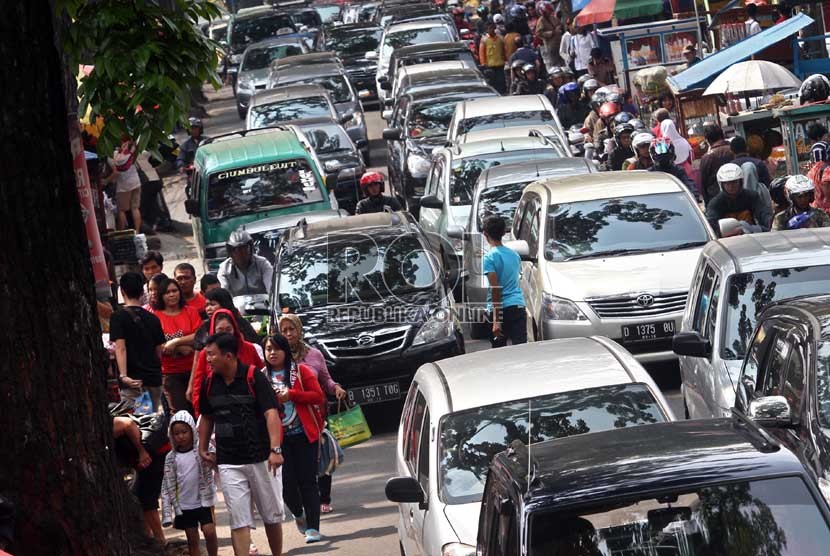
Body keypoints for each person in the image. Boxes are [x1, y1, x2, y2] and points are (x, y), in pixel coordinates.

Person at [198, 333, 285, 556]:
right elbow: (207, 417)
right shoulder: (208, 383)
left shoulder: (254, 377)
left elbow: (271, 414)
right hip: (228, 463)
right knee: (239, 520)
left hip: (262, 459)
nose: (207, 359)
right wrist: (203, 447)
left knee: (271, 516)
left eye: (211, 355)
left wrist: (275, 450)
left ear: (228, 356)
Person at [278, 313, 347, 514]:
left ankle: (324, 498)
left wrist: (336, 388)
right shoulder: (277, 356)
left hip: (316, 413)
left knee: (319, 456)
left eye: (292, 329)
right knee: (298, 462)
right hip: (289, 416)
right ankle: (305, 500)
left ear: (300, 330)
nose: (289, 334)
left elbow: (326, 379)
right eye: (284, 330)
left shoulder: (313, 354)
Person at [262, 334, 326, 544]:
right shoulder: (261, 377)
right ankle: (299, 515)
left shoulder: (300, 371)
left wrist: (292, 395)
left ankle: (314, 528)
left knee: (308, 482)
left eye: (276, 349)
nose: (272, 353)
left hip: (304, 435)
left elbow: (318, 396)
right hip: (278, 440)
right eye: (268, 349)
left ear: (285, 351)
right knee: (287, 486)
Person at [161, 411, 218, 556]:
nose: (181, 436)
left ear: (192, 431)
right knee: (192, 539)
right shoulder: (171, 458)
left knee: (210, 532)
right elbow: (167, 485)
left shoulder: (201, 450)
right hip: (185, 506)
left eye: (184, 432)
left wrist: (212, 457)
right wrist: (167, 514)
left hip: (203, 502)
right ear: (171, 435)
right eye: (176, 433)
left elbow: (215, 459)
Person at [191, 309, 263, 416]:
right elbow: (197, 387)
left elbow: (262, 374)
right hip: (218, 411)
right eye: (220, 330)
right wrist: (200, 414)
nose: (225, 334)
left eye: (228, 329)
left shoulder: (249, 348)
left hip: (250, 409)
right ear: (213, 331)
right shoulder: (205, 354)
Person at [110, 272, 165, 412]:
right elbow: (159, 351)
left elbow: (120, 348)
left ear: (122, 291)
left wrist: (123, 375)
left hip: (133, 383)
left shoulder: (118, 317)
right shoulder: (153, 319)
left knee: (141, 423)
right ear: (142, 292)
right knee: (155, 422)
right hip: (153, 379)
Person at [113, 415, 166, 544]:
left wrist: (141, 451)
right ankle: (148, 537)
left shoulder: (106, 421)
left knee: (145, 497)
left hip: (152, 455)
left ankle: (160, 540)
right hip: (141, 460)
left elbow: (128, 423)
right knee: (137, 495)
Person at [154, 277, 202, 413]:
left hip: (194, 369)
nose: (172, 294)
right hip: (170, 373)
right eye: (167, 292)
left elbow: (199, 336)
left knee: (199, 410)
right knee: (179, 413)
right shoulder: (156, 316)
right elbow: (160, 346)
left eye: (174, 291)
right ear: (161, 296)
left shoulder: (191, 311)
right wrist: (183, 348)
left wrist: (176, 342)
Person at [481, 215, 526, 347]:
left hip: (500, 311)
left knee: (499, 354)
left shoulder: (489, 258)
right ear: (504, 233)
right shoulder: (515, 255)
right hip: (518, 307)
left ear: (485, 234)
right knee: (521, 350)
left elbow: (496, 288)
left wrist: (496, 320)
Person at [705, 163, 771, 236]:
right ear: (722, 185)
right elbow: (711, 225)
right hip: (727, 240)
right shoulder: (715, 203)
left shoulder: (752, 196)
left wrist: (766, 225)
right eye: (727, 183)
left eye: (734, 182)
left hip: (752, 235)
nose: (731, 187)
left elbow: (764, 215)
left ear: (740, 182)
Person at [217, 230, 274, 296]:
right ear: (230, 252)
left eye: (244, 249)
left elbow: (271, 286)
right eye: (235, 250)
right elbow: (223, 290)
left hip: (264, 304)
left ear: (251, 249)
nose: (240, 254)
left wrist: (272, 297)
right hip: (236, 305)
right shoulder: (224, 269)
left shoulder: (263, 264)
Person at [107, 138, 143, 232]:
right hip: (136, 182)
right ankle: (138, 231)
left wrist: (106, 181)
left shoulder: (115, 155)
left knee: (122, 210)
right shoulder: (132, 154)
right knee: (135, 208)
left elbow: (116, 173)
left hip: (124, 187)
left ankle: (121, 232)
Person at [698, 124, 735, 206]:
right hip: (737, 199)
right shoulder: (734, 150)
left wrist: (708, 205)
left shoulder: (706, 157)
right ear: (722, 135)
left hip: (716, 202)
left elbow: (703, 184)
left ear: (707, 140)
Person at [479, 23, 507, 94]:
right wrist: (483, 63)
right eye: (488, 28)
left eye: (491, 28)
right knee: (492, 83)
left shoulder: (500, 38)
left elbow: (504, 50)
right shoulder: (484, 40)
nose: (490, 30)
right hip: (489, 66)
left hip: (500, 64)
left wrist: (505, 60)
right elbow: (482, 53)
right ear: (486, 30)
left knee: (501, 82)